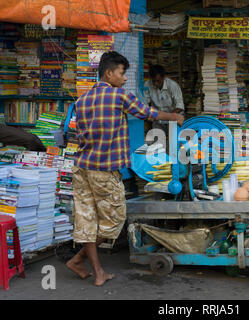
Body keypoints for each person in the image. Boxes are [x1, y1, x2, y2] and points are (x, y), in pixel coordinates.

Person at [66, 51, 184, 286]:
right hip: (103, 170)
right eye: (122, 73)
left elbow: (74, 135)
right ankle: (81, 260)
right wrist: (173, 116)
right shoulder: (119, 96)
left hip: (81, 168)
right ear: (109, 73)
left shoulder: (82, 100)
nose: (125, 78)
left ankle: (93, 269)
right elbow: (147, 112)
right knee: (115, 218)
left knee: (88, 221)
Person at [144, 64, 184, 134]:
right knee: (157, 142)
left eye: (158, 81)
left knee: (173, 141)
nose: (156, 84)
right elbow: (145, 104)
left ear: (163, 78)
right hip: (158, 119)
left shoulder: (172, 85)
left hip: (174, 116)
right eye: (153, 81)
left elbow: (179, 106)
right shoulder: (147, 85)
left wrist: (167, 116)